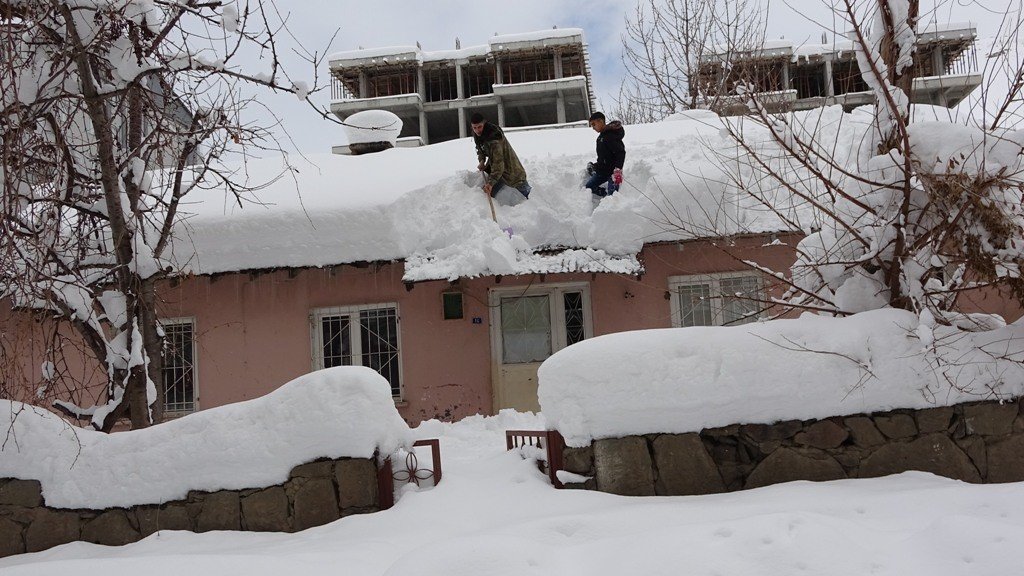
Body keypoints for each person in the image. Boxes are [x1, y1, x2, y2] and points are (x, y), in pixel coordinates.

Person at [470, 113, 531, 205]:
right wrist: (481, 160)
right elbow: (480, 149)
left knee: (529, 194)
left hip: (512, 170)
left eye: (479, 127)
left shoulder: (494, 139)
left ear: (484, 123)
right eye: (474, 128)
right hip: (498, 173)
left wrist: (490, 183)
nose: (477, 130)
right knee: (486, 194)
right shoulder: (479, 135)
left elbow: (498, 164)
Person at [585, 111, 625, 200]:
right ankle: (604, 194)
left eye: (593, 124)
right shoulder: (600, 138)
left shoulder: (610, 136)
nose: (593, 128)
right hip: (602, 172)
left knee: (612, 196)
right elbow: (604, 156)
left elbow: (620, 153)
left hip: (612, 173)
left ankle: (608, 197)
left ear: (600, 121)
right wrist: (596, 166)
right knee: (588, 187)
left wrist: (618, 170)